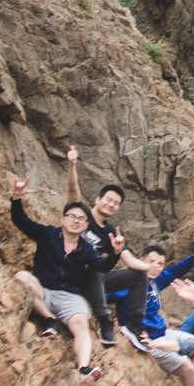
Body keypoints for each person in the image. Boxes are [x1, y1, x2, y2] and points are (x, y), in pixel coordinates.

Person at [6, 180, 109, 378]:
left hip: (69, 296)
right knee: (22, 277)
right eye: (72, 216)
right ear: (62, 219)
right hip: (43, 289)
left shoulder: (86, 249)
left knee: (81, 322)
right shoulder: (48, 235)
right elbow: (21, 221)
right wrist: (16, 198)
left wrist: (115, 253)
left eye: (81, 219)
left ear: (86, 225)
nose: (76, 221)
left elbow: (101, 266)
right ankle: (49, 318)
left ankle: (84, 367)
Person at [63, 146, 152, 349]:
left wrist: (150, 267)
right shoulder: (81, 215)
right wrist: (72, 165)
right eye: (108, 200)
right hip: (72, 272)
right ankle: (105, 320)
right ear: (97, 199)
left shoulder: (112, 232)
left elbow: (128, 260)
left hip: (94, 279)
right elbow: (72, 191)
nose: (111, 205)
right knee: (93, 264)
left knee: (138, 275)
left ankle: (135, 326)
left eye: (116, 203)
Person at [128, 236, 194, 386]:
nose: (155, 266)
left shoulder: (155, 281)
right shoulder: (129, 281)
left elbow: (175, 271)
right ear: (141, 260)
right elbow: (107, 294)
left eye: (159, 263)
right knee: (186, 368)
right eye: (151, 261)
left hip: (162, 333)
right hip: (148, 339)